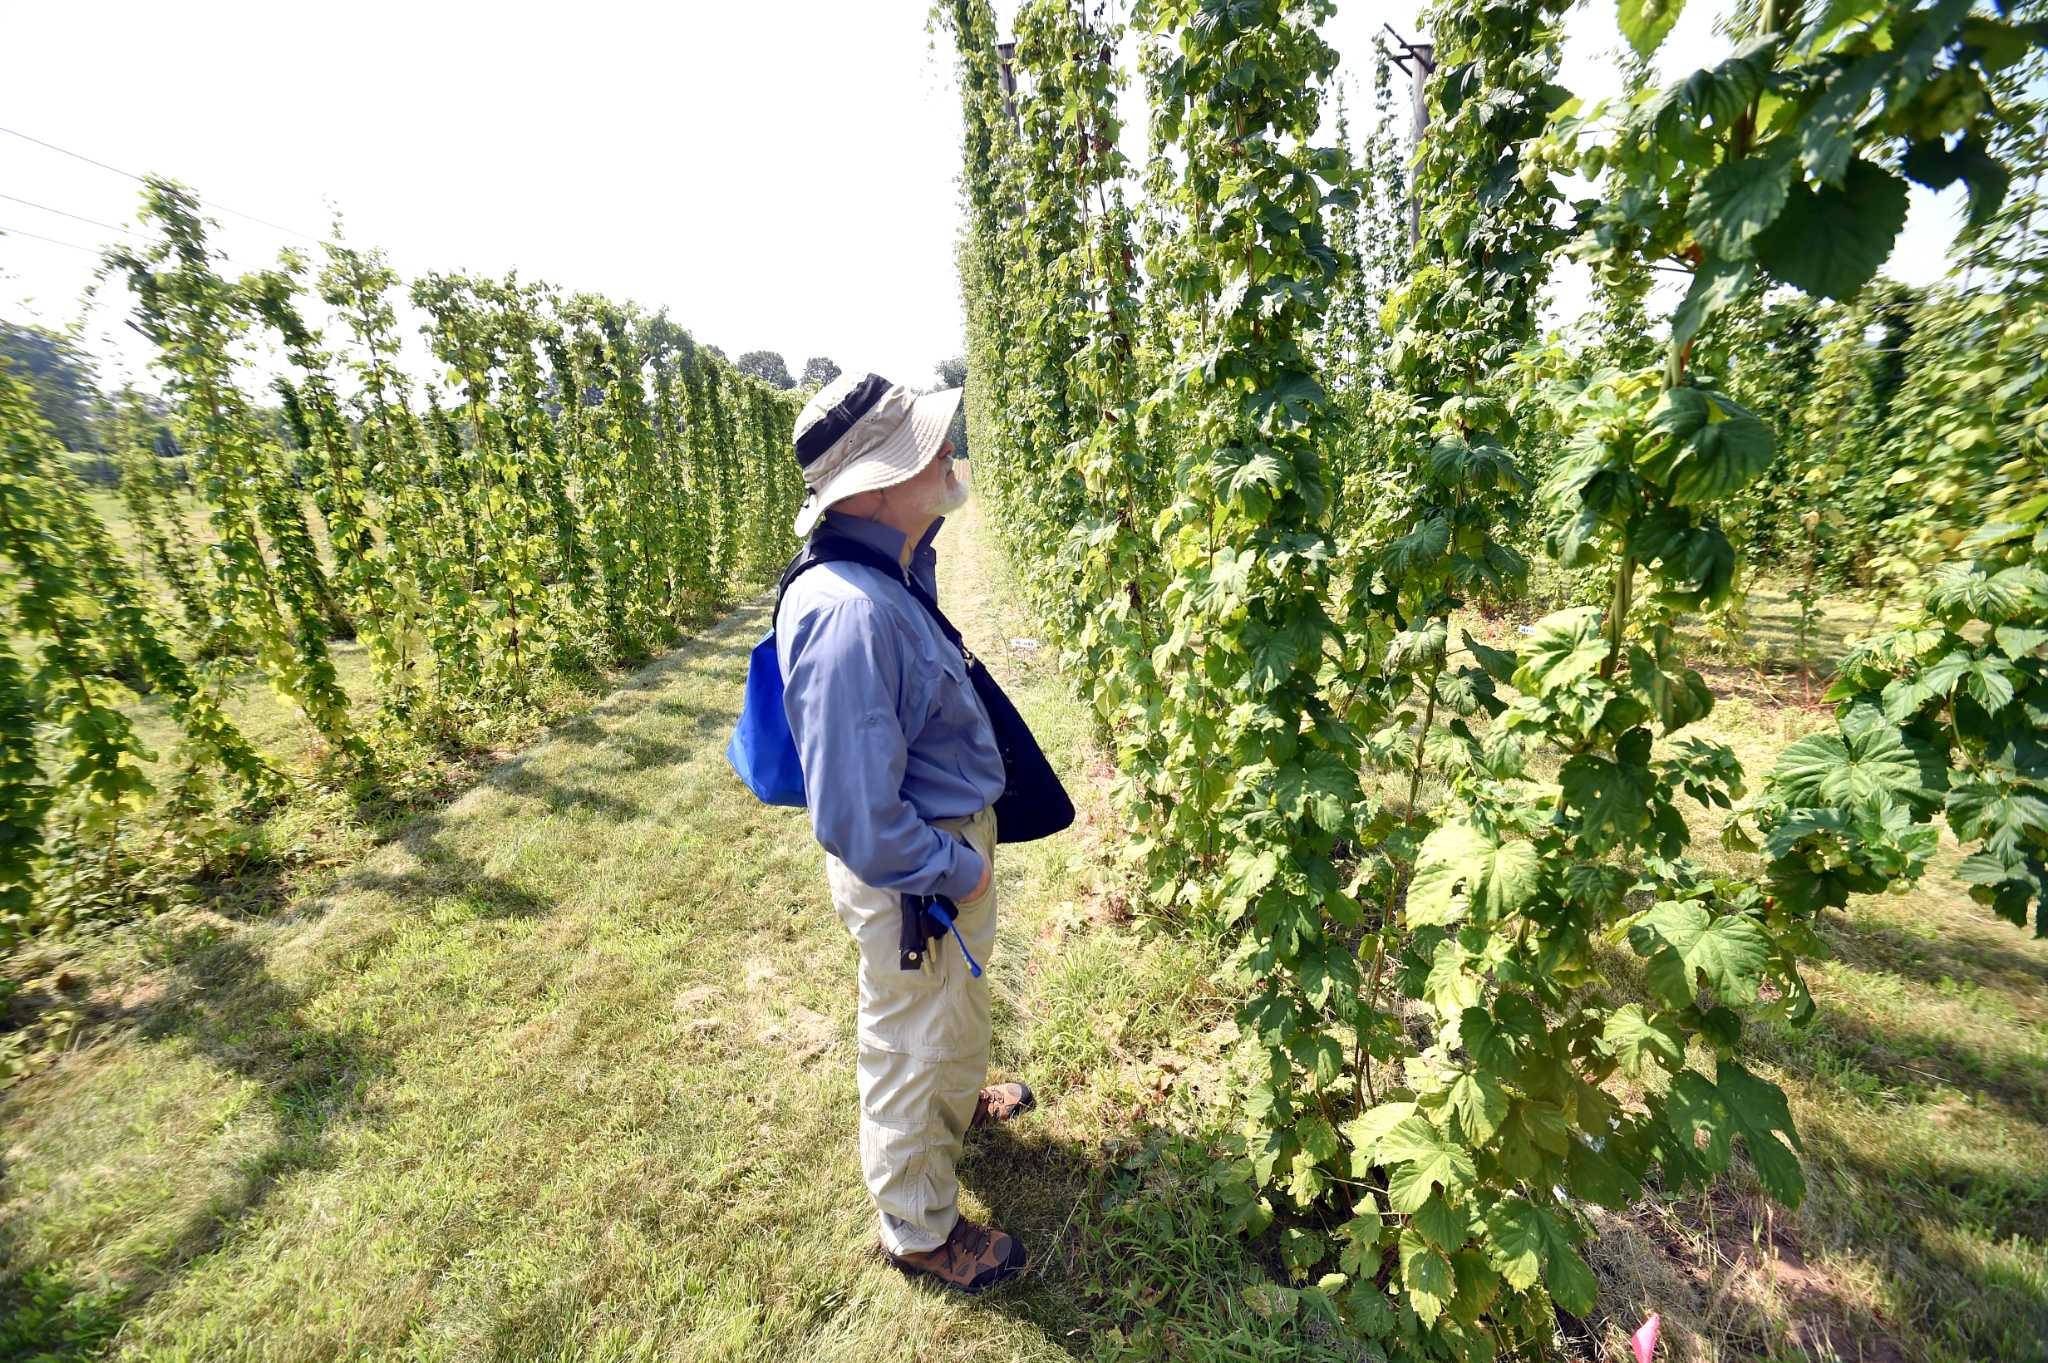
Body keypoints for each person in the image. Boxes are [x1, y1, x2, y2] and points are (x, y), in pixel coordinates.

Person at [776, 371, 1034, 1295]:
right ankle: (917, 1228)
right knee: (908, 1038)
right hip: (916, 881)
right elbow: (854, 815)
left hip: (938, 865)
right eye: (922, 442)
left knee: (945, 1016)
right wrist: (954, 870)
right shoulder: (848, 612)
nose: (946, 445)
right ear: (874, 489)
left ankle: (957, 1103)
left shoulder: (891, 562)